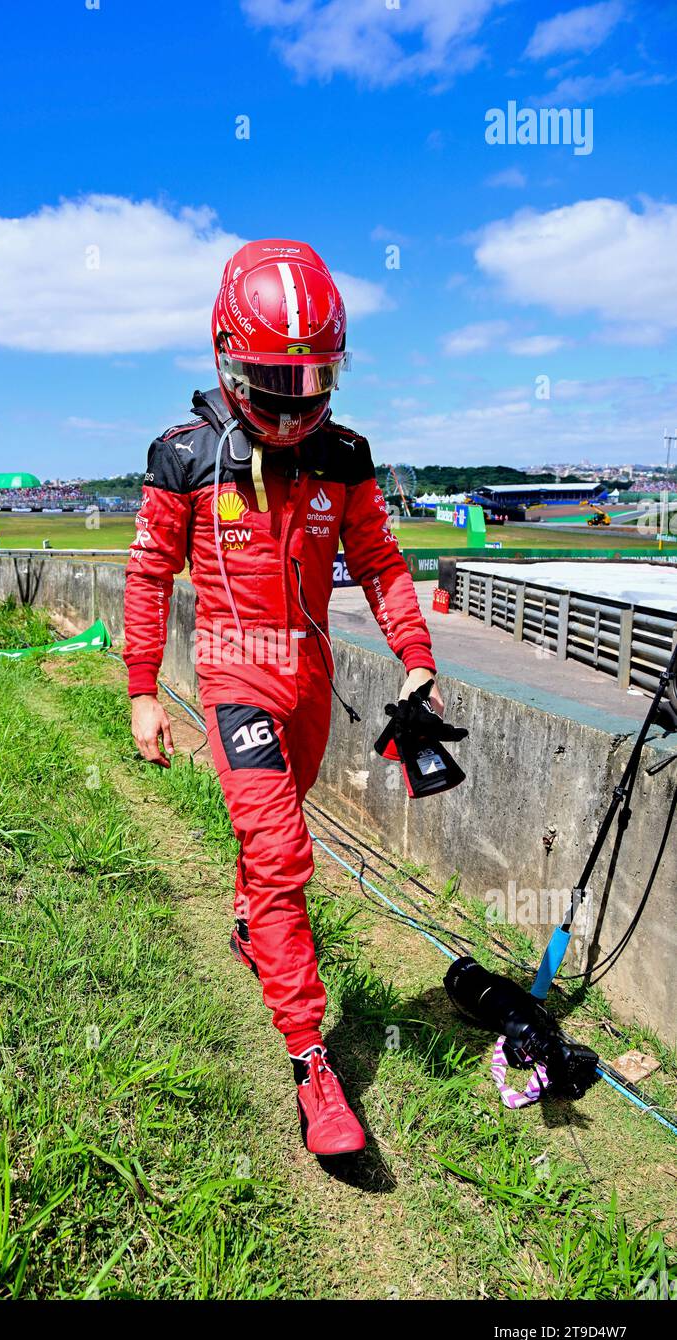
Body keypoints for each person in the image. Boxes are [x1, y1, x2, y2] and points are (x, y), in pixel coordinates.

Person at [124, 239, 443, 1159]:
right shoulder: (181, 456)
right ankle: (314, 1067)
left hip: (313, 677)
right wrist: (143, 690)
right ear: (227, 361)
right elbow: (148, 576)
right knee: (284, 851)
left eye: (314, 380)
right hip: (233, 673)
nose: (295, 402)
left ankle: (245, 915)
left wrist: (414, 656)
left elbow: (381, 563)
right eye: (275, 380)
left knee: (275, 832)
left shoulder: (345, 455)